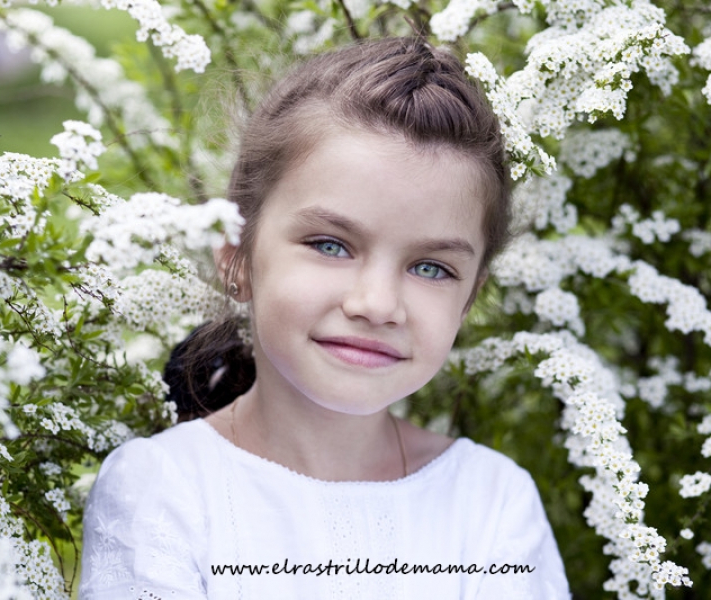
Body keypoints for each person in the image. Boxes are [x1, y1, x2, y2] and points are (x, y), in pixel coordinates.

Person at [79, 37, 570, 599]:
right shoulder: (163, 490)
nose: (378, 304)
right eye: (331, 245)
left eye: (431, 268)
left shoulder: (492, 501)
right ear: (236, 254)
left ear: (469, 297)